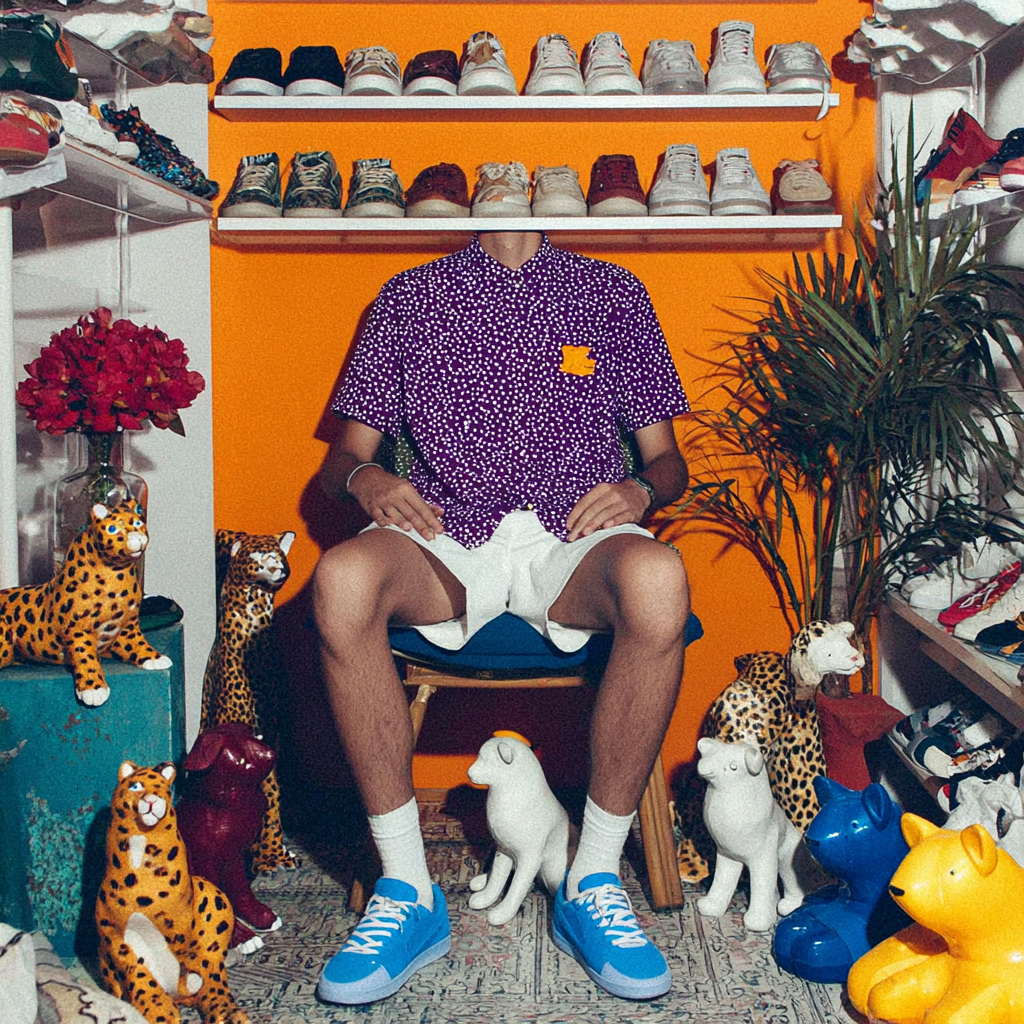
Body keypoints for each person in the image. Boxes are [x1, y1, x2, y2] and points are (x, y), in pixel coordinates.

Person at [312, 230, 691, 1005]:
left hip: (575, 539)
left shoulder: (613, 292)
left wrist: (643, 492)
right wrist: (368, 479)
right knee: (342, 578)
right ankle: (408, 892)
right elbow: (338, 460)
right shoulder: (409, 296)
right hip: (448, 539)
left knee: (658, 576)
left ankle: (591, 882)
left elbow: (669, 461)